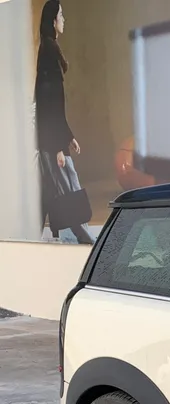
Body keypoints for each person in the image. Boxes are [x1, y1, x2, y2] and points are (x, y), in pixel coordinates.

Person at [34, 1, 94, 244]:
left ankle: (50, 235)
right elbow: (49, 103)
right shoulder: (49, 51)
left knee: (52, 191)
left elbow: (53, 104)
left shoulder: (49, 48)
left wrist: (68, 136)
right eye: (61, 15)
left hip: (52, 137)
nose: (64, 19)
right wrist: (59, 146)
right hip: (51, 140)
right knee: (69, 187)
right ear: (53, 21)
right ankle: (83, 237)